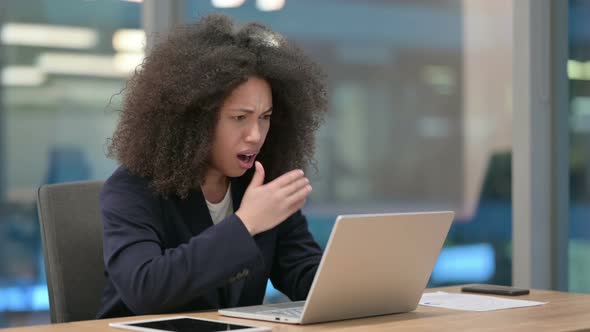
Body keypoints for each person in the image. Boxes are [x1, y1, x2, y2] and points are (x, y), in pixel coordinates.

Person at [96, 14, 328, 318]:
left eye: (265, 117)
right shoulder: (131, 188)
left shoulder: (261, 182)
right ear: (195, 120)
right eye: (239, 118)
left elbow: (301, 273)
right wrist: (246, 223)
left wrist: (357, 280)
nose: (255, 134)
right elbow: (146, 290)